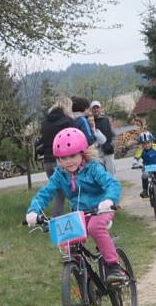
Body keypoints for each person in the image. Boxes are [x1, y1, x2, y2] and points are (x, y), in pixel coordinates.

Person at [25, 127, 124, 283]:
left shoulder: (93, 168)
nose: (68, 161)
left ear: (82, 153)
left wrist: (109, 200)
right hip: (79, 213)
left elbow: (112, 184)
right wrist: (33, 211)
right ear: (58, 160)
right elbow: (45, 193)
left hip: (101, 208)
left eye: (72, 156)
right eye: (63, 158)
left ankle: (113, 266)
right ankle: (82, 278)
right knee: (69, 243)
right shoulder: (60, 174)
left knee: (94, 228)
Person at [39, 97, 76, 216]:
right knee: (75, 191)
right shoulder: (67, 121)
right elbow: (73, 142)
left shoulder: (45, 123)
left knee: (59, 194)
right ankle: (77, 221)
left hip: (48, 162)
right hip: (63, 161)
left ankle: (57, 223)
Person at [132, 131, 156, 198]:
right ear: (141, 144)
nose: (146, 145)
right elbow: (136, 158)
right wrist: (135, 164)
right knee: (144, 175)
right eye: (144, 143)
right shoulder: (140, 150)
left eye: (148, 142)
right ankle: (145, 190)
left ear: (152, 141)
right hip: (147, 168)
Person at [90, 100, 116, 174]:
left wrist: (112, 145)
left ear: (100, 108)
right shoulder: (89, 121)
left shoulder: (106, 120)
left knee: (111, 173)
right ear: (91, 109)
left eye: (97, 107)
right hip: (97, 153)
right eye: (94, 108)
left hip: (108, 151)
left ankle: (112, 185)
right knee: (100, 174)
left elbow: (114, 135)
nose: (96, 109)